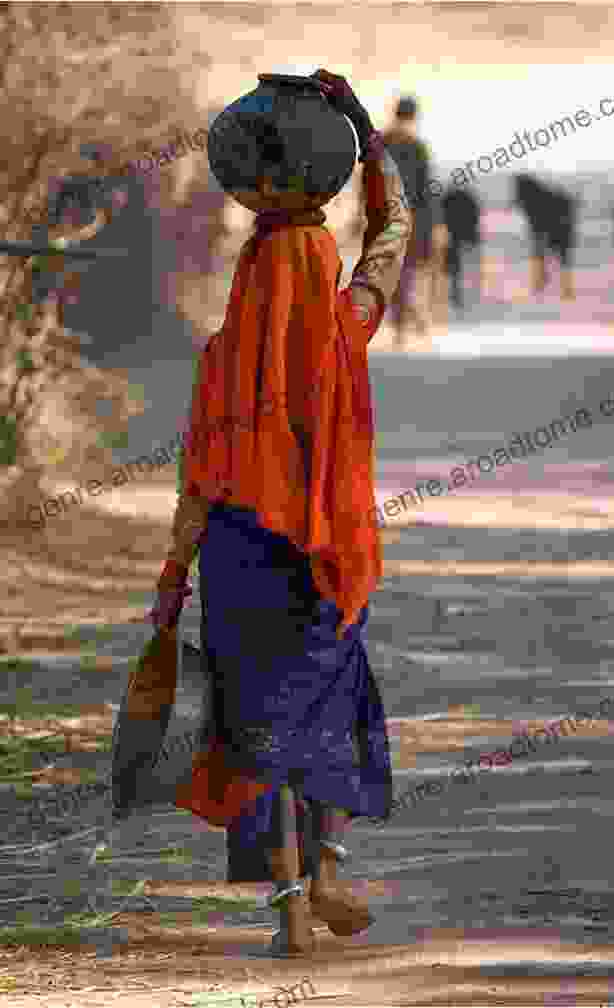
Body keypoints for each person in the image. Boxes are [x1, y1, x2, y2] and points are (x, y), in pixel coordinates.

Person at [148, 68, 411, 956]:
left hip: (238, 552)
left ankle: (293, 906)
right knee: (331, 707)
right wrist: (368, 142)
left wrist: (175, 576)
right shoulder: (349, 324)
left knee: (254, 723)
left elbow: (196, 478)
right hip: (327, 552)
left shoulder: (222, 355)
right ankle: (331, 865)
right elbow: (390, 240)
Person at [378, 95, 436, 346]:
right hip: (411, 217)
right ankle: (406, 321)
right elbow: (426, 189)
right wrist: (435, 224)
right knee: (408, 270)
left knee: (389, 271)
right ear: (413, 117)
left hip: (382, 215)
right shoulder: (416, 145)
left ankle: (406, 319)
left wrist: (362, 213)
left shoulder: (380, 143)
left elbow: (368, 181)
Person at [512, 173, 576, 301]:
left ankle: (545, 282)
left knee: (545, 255)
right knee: (560, 259)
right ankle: (561, 287)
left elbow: (535, 220)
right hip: (558, 231)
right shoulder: (538, 197)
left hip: (553, 231)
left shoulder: (535, 199)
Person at [440, 183, 482, 311]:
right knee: (456, 266)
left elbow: (441, 215)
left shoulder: (449, 199)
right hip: (458, 233)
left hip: (453, 234)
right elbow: (475, 215)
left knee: (454, 265)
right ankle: (456, 293)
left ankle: (454, 293)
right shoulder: (466, 199)